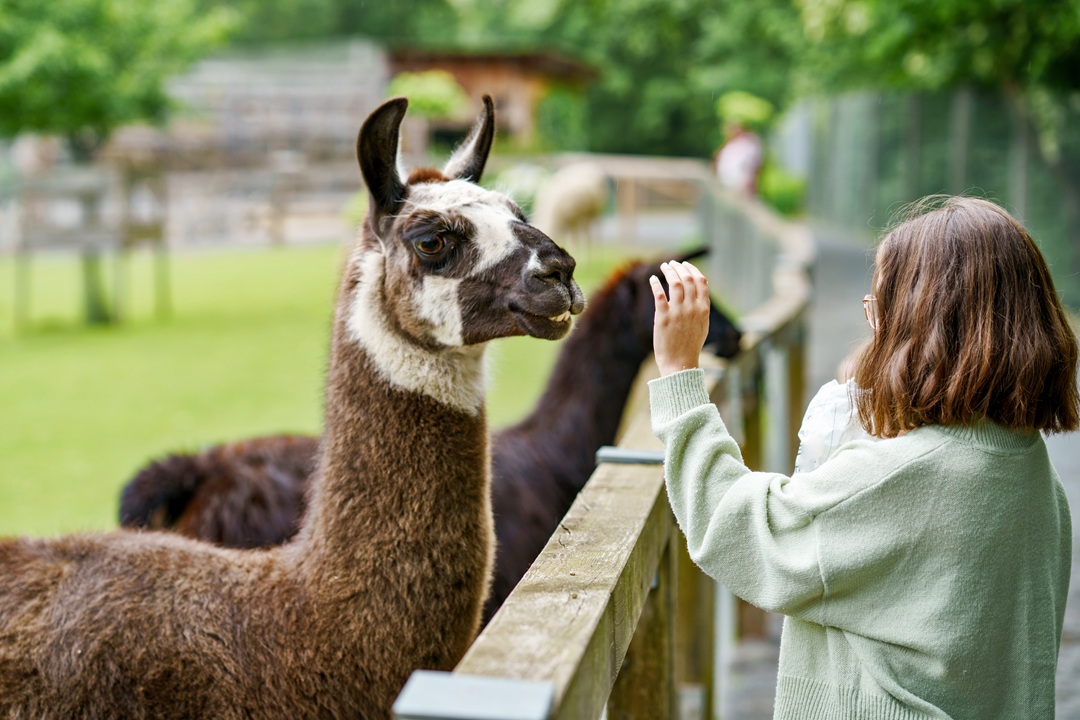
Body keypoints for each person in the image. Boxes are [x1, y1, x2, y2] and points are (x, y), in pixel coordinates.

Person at [647, 195, 1078, 719]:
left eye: (881, 311)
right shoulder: (1032, 475)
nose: (873, 328)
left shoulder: (902, 477)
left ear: (919, 326)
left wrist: (679, 377)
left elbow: (742, 528)